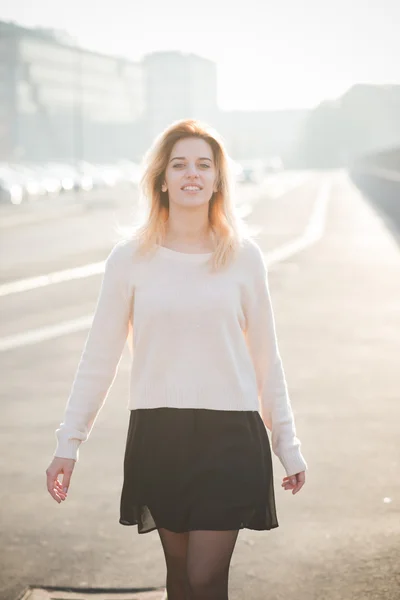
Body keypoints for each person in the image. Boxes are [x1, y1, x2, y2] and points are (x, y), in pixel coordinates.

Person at [46, 118, 308, 600]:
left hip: (230, 435)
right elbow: (98, 357)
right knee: (182, 578)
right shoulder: (129, 259)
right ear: (161, 179)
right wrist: (69, 442)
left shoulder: (244, 258)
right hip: (159, 433)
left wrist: (286, 444)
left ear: (217, 179)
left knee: (208, 579)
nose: (192, 173)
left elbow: (267, 360)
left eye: (204, 165)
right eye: (180, 164)